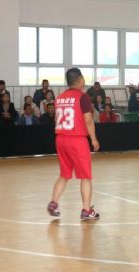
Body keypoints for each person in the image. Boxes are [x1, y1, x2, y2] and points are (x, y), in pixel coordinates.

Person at [47, 68, 100, 220]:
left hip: (61, 139)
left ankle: (54, 202)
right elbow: (88, 120)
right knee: (85, 177)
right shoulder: (83, 97)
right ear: (81, 79)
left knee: (64, 174)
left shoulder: (59, 98)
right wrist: (94, 138)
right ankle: (86, 210)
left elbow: (57, 118)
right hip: (77, 140)